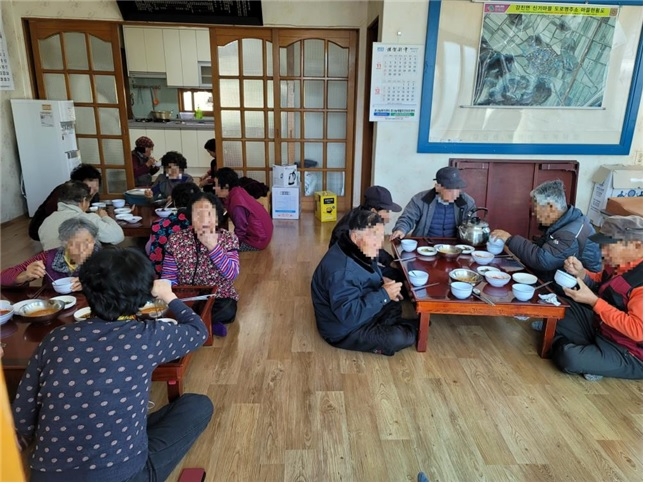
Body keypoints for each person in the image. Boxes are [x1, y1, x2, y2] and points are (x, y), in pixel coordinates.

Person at [11, 248, 213, 481]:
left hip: (46, 476)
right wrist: (169, 296)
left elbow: (22, 418)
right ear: (144, 295)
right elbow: (198, 331)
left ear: (85, 288)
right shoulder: (147, 336)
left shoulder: (55, 339)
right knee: (198, 405)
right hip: (124, 475)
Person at [548, 215, 642, 381]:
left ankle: (584, 354)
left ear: (636, 246)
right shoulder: (621, 262)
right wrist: (582, 273)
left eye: (609, 246)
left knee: (569, 359)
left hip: (630, 353)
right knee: (559, 308)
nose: (603, 252)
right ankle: (591, 356)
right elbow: (602, 282)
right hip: (603, 329)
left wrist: (594, 301)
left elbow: (637, 331)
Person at [311, 209, 418, 355]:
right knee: (401, 338)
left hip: (355, 307)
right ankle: (398, 328)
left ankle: (389, 325)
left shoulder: (353, 246)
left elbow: (364, 276)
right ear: (355, 237)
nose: (380, 244)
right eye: (374, 236)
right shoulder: (342, 272)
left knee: (394, 300)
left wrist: (382, 282)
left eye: (381, 236)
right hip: (343, 330)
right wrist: (383, 295)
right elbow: (349, 316)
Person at [490, 179, 601, 285]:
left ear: (551, 207)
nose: (533, 214)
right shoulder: (566, 220)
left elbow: (542, 260)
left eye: (536, 209)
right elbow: (542, 249)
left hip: (577, 287)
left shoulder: (570, 233)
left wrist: (510, 240)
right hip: (556, 276)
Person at [161, 192, 240, 337]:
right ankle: (206, 323)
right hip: (184, 296)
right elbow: (168, 275)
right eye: (198, 215)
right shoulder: (176, 239)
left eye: (209, 214)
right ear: (191, 219)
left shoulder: (229, 239)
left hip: (218, 296)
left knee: (228, 309)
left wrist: (213, 247)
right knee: (160, 307)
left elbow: (232, 274)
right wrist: (172, 298)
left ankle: (189, 324)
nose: (204, 220)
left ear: (217, 218)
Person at [1, 217, 99, 290]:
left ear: (94, 242)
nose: (81, 249)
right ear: (64, 243)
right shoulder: (48, 257)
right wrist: (25, 275)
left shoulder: (104, 258)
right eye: (75, 244)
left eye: (87, 243)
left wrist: (89, 285)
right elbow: (2, 277)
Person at [329, 185, 403, 281]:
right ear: (373, 211)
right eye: (387, 211)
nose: (389, 217)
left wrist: (390, 261)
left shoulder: (363, 217)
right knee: (397, 277)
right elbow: (351, 268)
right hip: (346, 274)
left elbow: (373, 248)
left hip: (356, 266)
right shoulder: (356, 230)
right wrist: (380, 279)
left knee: (397, 273)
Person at [390, 166, 476, 240]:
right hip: (425, 245)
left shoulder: (467, 202)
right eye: (449, 190)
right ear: (437, 187)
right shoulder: (420, 199)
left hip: (455, 247)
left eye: (457, 189)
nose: (455, 194)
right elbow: (408, 218)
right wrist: (401, 229)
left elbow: (472, 225)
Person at [38, 181, 124, 250]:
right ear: (83, 201)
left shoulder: (46, 222)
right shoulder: (86, 219)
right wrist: (105, 217)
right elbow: (117, 236)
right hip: (81, 268)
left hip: (53, 267)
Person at [28, 163, 102, 241]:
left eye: (95, 189)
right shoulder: (64, 192)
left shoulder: (94, 195)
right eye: (89, 189)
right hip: (42, 228)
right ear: (78, 184)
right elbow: (54, 215)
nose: (91, 193)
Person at [147, 182, 201, 276]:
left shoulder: (158, 226)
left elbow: (151, 251)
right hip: (200, 279)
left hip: (164, 280)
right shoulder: (206, 225)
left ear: (174, 202)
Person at [213, 167, 273, 251]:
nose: (214, 188)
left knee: (217, 247)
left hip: (257, 241)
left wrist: (233, 244)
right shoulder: (238, 190)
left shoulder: (237, 204)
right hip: (264, 234)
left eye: (216, 185)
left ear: (226, 186)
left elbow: (241, 230)